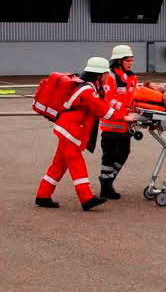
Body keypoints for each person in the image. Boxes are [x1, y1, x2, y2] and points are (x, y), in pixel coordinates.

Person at [35, 56, 129, 211]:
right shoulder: (87, 91)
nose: (107, 76)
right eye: (105, 74)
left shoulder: (87, 87)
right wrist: (125, 117)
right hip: (70, 132)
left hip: (68, 130)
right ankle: (86, 198)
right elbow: (103, 111)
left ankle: (43, 195)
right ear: (98, 75)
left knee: (58, 164)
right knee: (76, 163)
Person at [98, 44, 139, 200]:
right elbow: (109, 99)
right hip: (111, 125)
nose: (130, 63)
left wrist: (135, 109)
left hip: (124, 125)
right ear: (118, 61)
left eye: (131, 60)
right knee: (108, 157)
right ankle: (106, 187)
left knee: (123, 153)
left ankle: (107, 181)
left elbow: (133, 96)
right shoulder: (110, 77)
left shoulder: (131, 78)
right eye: (127, 60)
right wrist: (125, 111)